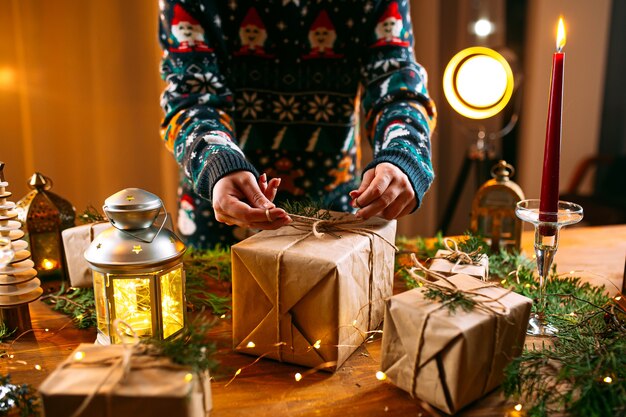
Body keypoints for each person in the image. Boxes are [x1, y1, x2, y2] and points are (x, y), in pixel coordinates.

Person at [159, 0, 436, 248]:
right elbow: (191, 98)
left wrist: (404, 154)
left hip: (331, 216)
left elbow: (395, 83)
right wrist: (217, 164)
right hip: (220, 217)